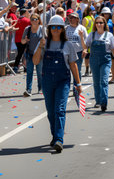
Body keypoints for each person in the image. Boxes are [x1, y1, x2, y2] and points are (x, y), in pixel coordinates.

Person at [33, 15, 82, 153]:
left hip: (63, 81)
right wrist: (39, 48)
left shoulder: (68, 45)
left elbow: (73, 65)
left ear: (62, 29)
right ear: (49, 29)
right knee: (50, 111)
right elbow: (36, 61)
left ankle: (59, 140)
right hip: (47, 81)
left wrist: (78, 84)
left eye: (58, 27)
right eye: (52, 27)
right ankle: (55, 136)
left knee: (59, 109)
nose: (55, 29)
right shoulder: (43, 42)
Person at [85, 16, 114, 112]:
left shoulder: (109, 35)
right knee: (96, 82)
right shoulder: (91, 35)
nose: (99, 24)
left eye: (101, 22)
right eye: (97, 23)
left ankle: (104, 103)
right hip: (94, 60)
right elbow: (86, 46)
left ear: (104, 24)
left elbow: (113, 49)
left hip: (105, 60)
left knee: (104, 81)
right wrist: (84, 48)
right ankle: (98, 101)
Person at [22, 14, 45, 96]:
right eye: (32, 19)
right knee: (29, 72)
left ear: (39, 20)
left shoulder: (42, 29)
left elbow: (47, 40)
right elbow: (22, 41)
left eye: (36, 19)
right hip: (29, 54)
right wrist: (25, 40)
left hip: (40, 54)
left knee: (40, 72)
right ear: (30, 21)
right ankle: (28, 89)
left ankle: (41, 88)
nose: (34, 21)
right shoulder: (27, 29)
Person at [65, 12, 88, 81]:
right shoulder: (66, 28)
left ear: (77, 19)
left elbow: (86, 41)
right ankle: (66, 87)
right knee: (67, 71)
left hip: (78, 52)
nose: (70, 19)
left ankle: (76, 88)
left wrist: (85, 50)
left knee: (77, 71)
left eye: (72, 17)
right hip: (67, 53)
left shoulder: (82, 28)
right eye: (69, 17)